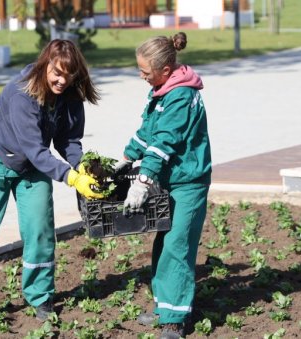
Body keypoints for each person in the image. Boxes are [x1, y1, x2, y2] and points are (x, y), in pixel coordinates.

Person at [0, 39, 104, 333]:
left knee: (39, 228)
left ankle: (41, 297)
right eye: (56, 73)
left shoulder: (71, 95)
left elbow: (69, 141)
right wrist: (72, 179)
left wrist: (82, 166)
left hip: (33, 163)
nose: (62, 81)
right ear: (44, 65)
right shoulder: (22, 92)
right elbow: (35, 150)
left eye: (68, 75)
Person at [114, 32, 211, 339]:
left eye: (145, 71)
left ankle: (174, 321)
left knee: (177, 247)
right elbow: (148, 131)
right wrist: (127, 157)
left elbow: (164, 142)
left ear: (165, 70)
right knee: (163, 243)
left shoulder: (180, 96)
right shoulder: (162, 90)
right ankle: (164, 306)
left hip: (189, 182)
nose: (141, 75)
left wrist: (143, 181)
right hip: (173, 179)